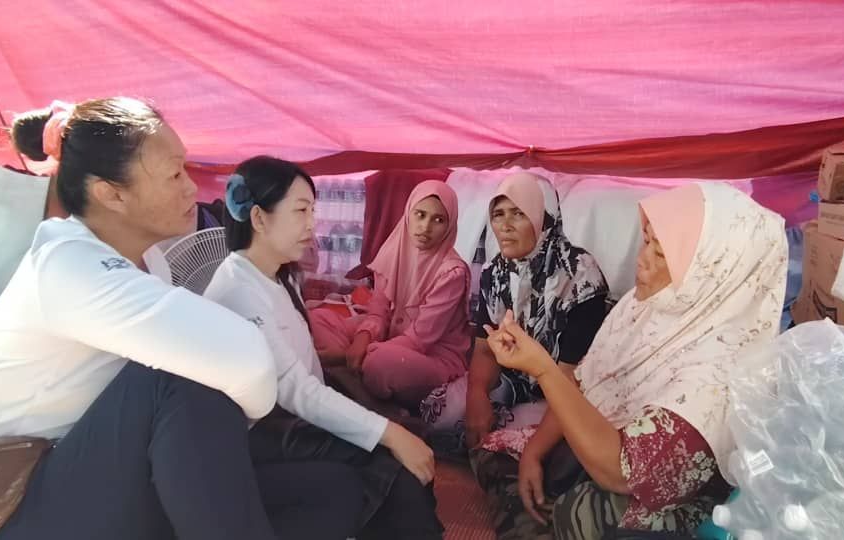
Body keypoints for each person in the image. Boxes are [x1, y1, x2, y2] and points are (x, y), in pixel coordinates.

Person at [0, 98, 364, 540]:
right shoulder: (66, 263)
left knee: (333, 491)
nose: (192, 189)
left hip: (106, 477)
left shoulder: (152, 261)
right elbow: (244, 358)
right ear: (110, 193)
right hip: (19, 504)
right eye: (174, 174)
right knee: (188, 376)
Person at [475, 182, 788, 539]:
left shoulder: (720, 371)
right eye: (646, 240)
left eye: (661, 251)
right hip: (595, 444)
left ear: (712, 270)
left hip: (643, 484)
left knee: (587, 512)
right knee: (497, 451)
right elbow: (584, 381)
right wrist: (533, 452)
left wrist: (542, 368)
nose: (640, 259)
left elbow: (621, 473)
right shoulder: (640, 307)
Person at [204, 156, 444, 539]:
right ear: (260, 219)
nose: (312, 224)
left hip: (298, 418)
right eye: (301, 211)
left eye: (312, 210)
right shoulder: (239, 291)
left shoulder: (279, 277)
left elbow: (308, 372)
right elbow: (296, 389)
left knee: (407, 443)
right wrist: (387, 433)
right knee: (395, 466)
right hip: (266, 433)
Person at [420, 171, 609, 453]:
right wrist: (477, 396)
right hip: (510, 380)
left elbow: (570, 376)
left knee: (518, 439)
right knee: (440, 413)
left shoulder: (580, 277)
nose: (504, 226)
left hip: (560, 391)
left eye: (518, 213)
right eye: (498, 214)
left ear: (544, 218)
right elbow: (484, 348)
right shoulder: (494, 273)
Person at [311, 180, 471, 408]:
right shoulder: (394, 251)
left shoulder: (452, 272)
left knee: (380, 363)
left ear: (450, 225)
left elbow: (420, 339)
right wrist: (362, 337)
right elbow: (377, 313)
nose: (425, 227)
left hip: (430, 356)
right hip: (387, 336)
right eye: (420, 214)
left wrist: (358, 352)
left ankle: (349, 375)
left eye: (439, 220)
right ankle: (356, 378)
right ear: (408, 214)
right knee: (318, 318)